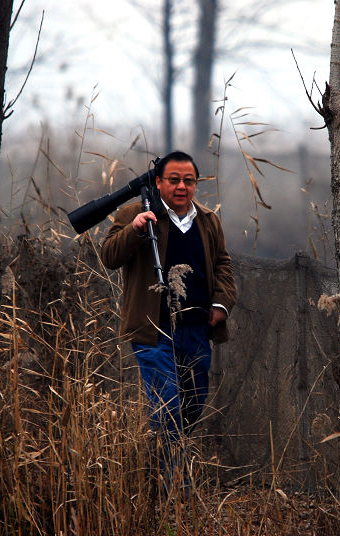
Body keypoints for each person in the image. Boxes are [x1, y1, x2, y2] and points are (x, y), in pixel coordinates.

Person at [100, 151, 236, 457]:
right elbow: (109, 256)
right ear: (158, 183)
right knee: (168, 408)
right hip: (152, 330)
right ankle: (175, 493)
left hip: (197, 328)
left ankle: (158, 470)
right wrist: (134, 230)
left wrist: (221, 304)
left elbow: (223, 264)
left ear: (196, 184)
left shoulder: (208, 220)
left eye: (188, 181)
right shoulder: (134, 214)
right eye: (173, 180)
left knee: (192, 405)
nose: (181, 187)